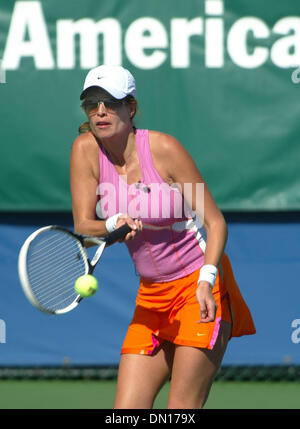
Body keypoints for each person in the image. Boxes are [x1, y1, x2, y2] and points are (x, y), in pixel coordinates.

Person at [70, 65, 256, 409]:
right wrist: (113, 223)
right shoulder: (85, 150)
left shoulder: (165, 149)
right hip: (151, 298)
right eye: (91, 103)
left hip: (198, 288)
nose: (100, 112)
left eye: (110, 103)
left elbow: (216, 223)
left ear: (131, 108)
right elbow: (84, 224)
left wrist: (206, 280)